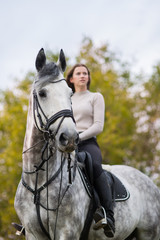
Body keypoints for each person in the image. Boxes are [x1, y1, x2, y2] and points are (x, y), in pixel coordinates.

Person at [66, 64, 115, 238]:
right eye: (78, 73)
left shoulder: (95, 97)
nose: (82, 76)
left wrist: (79, 137)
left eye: (85, 73)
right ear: (71, 79)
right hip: (65, 142)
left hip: (87, 141)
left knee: (95, 165)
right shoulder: (66, 98)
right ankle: (34, 219)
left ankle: (108, 215)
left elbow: (98, 126)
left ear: (88, 77)